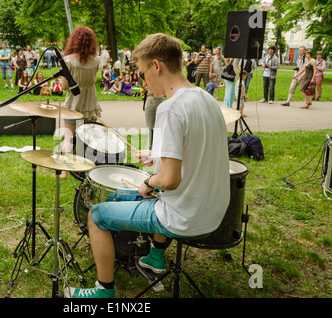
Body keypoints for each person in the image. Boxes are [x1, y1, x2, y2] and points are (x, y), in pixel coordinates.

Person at [64, 33, 230, 298]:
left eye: (142, 74)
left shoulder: (170, 108)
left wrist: (149, 182)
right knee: (132, 192)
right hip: (214, 211)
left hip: (184, 216)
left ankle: (103, 292)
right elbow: (195, 152)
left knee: (97, 215)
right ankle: (155, 257)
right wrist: (156, 155)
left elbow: (170, 181)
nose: (143, 82)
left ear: (157, 66)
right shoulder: (207, 99)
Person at [59, 26, 102, 179]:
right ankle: (88, 171)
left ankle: (65, 171)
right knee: (89, 140)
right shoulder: (96, 60)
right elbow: (94, 80)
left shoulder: (68, 60)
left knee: (68, 138)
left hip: (73, 103)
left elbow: (64, 86)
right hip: (90, 103)